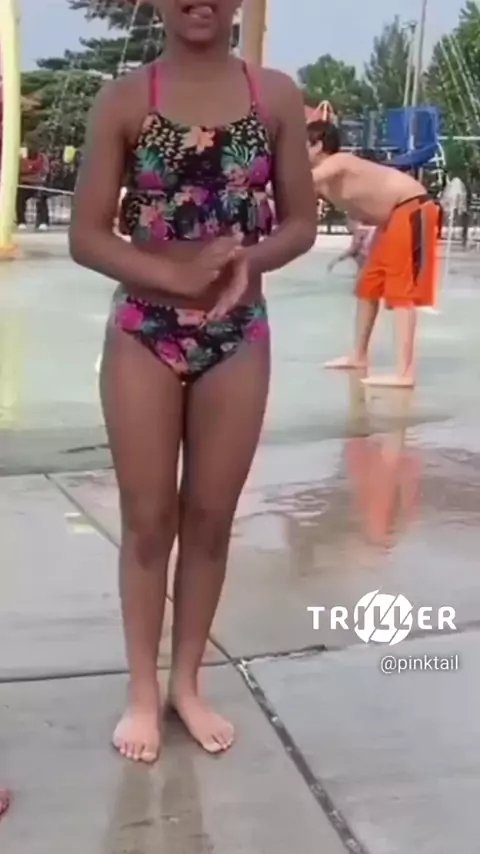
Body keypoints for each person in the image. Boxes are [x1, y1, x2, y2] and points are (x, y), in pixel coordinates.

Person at [70, 0, 316, 764]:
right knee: (149, 522)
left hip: (237, 333)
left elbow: (301, 223)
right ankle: (142, 691)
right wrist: (172, 281)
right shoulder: (124, 100)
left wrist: (249, 262)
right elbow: (86, 234)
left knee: (210, 518)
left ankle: (186, 681)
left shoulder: (274, 96)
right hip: (144, 330)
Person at [308, 120, 439, 387]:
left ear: (318, 145)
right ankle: (358, 355)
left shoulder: (338, 161)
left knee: (401, 291)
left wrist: (266, 179)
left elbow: (301, 182)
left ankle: (405, 373)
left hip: (411, 207)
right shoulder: (321, 181)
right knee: (368, 287)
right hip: (388, 220)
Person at [16, 141, 50, 231]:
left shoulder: (42, 158)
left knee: (41, 198)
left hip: (38, 183)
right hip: (24, 183)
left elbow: (45, 171)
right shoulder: (20, 158)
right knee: (19, 199)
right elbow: (19, 170)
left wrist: (31, 172)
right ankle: (21, 221)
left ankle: (43, 222)